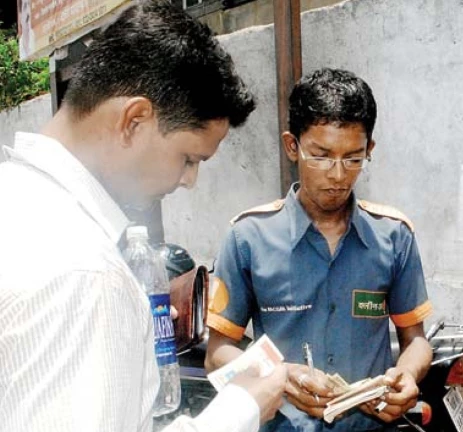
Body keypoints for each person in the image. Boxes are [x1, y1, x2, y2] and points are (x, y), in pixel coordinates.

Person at [0, 2, 286, 431]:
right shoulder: (86, 275)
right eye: (189, 158)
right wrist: (240, 409)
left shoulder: (19, 197)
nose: (189, 181)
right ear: (134, 121)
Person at [204, 68, 434, 431]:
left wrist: (406, 376)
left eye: (353, 158)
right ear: (292, 146)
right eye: (321, 155)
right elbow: (217, 355)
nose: (338, 174)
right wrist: (280, 376)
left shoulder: (393, 236)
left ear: (369, 150)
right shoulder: (248, 238)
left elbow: (416, 339)